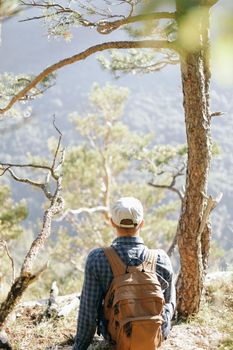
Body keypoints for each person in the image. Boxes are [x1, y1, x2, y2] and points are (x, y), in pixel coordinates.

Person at [73, 197, 176, 350]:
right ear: (142, 223)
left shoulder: (98, 258)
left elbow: (88, 313)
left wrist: (79, 347)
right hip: (153, 338)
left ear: (112, 222)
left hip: (117, 339)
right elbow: (170, 305)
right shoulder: (161, 258)